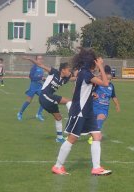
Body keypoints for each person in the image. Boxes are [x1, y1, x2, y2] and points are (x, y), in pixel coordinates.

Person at [51, 48, 112, 176]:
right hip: (80, 111)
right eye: (95, 62)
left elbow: (78, 90)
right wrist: (101, 66)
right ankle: (57, 166)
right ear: (92, 62)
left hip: (87, 112)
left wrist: (90, 94)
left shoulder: (84, 73)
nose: (97, 64)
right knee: (72, 139)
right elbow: (106, 83)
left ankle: (96, 168)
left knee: (97, 136)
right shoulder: (86, 74)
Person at [22, 56, 74, 143]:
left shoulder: (64, 79)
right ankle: (72, 119)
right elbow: (40, 65)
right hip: (44, 95)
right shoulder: (54, 72)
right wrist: (30, 59)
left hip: (48, 99)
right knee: (68, 101)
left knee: (58, 118)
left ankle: (59, 138)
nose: (69, 72)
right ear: (63, 70)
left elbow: (76, 78)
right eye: (68, 70)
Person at [88, 65, 120, 144]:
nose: (108, 80)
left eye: (110, 79)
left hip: (103, 109)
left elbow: (114, 96)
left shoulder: (111, 86)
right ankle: (96, 134)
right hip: (93, 107)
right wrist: (93, 94)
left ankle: (94, 138)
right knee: (89, 126)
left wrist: (117, 105)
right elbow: (88, 91)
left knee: (100, 119)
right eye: (107, 78)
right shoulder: (97, 84)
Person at [17, 55, 45, 121]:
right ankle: (20, 113)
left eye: (41, 59)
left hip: (39, 86)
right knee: (28, 101)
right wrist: (40, 78)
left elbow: (41, 77)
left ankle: (39, 114)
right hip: (33, 86)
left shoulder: (42, 68)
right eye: (38, 59)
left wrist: (44, 79)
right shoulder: (34, 67)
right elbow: (31, 77)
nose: (40, 60)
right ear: (36, 60)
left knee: (44, 99)